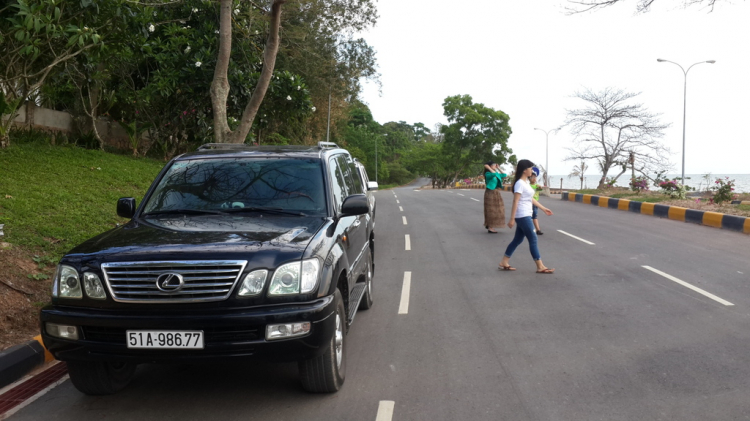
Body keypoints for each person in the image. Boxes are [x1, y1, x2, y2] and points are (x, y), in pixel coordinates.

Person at [499, 159, 555, 274]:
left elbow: (530, 198)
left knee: (517, 240)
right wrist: (512, 218)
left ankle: (504, 262)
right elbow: (516, 201)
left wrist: (543, 208)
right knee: (533, 239)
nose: (532, 171)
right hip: (523, 215)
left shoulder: (526, 183)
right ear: (525, 170)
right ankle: (540, 266)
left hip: (526, 215)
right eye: (530, 168)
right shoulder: (519, 183)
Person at [483, 161, 507, 233]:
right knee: (491, 210)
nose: (495, 166)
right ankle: (490, 227)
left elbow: (505, 175)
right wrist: (488, 168)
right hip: (490, 193)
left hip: (496, 193)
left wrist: (498, 168)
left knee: (498, 209)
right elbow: (493, 174)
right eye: (493, 165)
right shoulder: (488, 174)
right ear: (489, 166)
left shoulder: (496, 174)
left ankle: (490, 224)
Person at [528, 169, 544, 235]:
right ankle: (534, 229)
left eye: (535, 177)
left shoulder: (537, 185)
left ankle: (537, 229)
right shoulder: (529, 186)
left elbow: (540, 189)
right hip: (530, 203)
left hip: (536, 203)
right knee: (531, 216)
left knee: (534, 216)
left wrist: (540, 186)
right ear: (529, 178)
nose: (534, 178)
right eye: (532, 177)